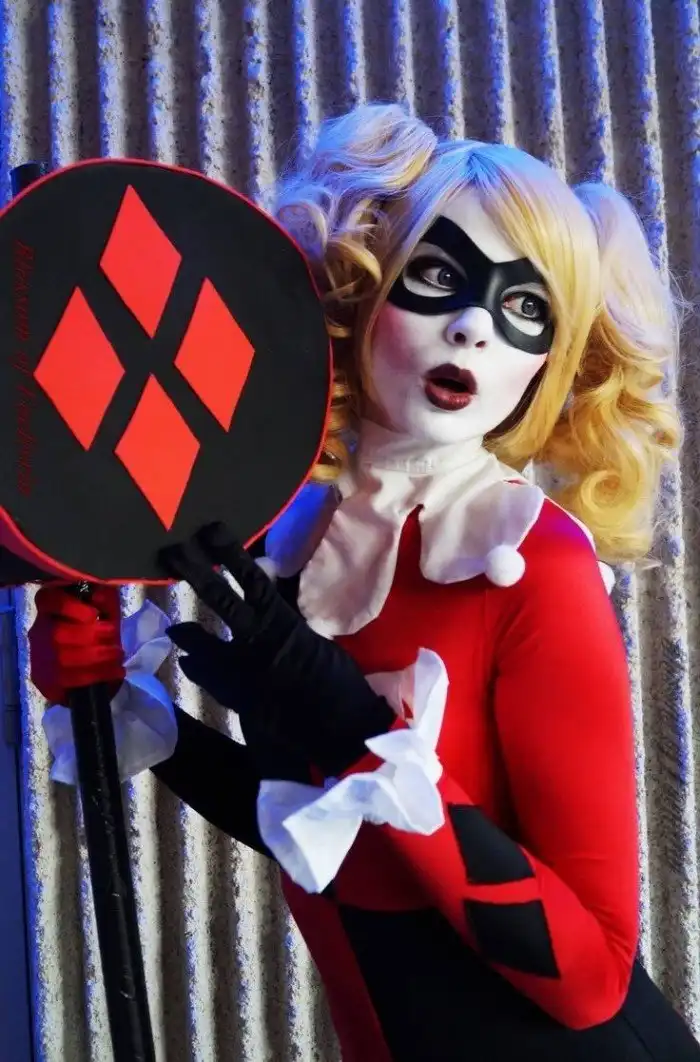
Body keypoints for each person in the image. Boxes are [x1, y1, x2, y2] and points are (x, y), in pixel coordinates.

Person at [28, 104, 700, 1061]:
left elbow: (591, 975)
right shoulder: (301, 541)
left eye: (524, 308)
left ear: (547, 360)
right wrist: (136, 719)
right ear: (359, 293)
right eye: (438, 277)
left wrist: (355, 731)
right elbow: (332, 837)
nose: (473, 328)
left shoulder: (532, 563)